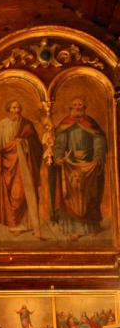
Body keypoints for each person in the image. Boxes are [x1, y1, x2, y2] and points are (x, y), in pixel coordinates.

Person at [53, 97, 107, 241]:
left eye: (80, 105)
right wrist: (58, 156)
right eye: (75, 105)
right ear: (70, 108)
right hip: (70, 164)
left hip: (90, 165)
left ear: (84, 108)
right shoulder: (65, 124)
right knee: (70, 197)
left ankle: (91, 228)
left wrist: (97, 157)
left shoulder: (91, 123)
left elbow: (99, 140)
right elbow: (59, 143)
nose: (78, 107)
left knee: (89, 195)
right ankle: (73, 230)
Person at [0, 100, 43, 237]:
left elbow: (37, 145)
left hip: (24, 164)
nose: (16, 111)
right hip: (7, 164)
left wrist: (24, 143)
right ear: (9, 110)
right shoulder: (2, 125)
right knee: (10, 194)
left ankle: (24, 224)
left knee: (21, 193)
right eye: (13, 108)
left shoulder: (27, 124)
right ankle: (13, 224)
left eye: (18, 108)